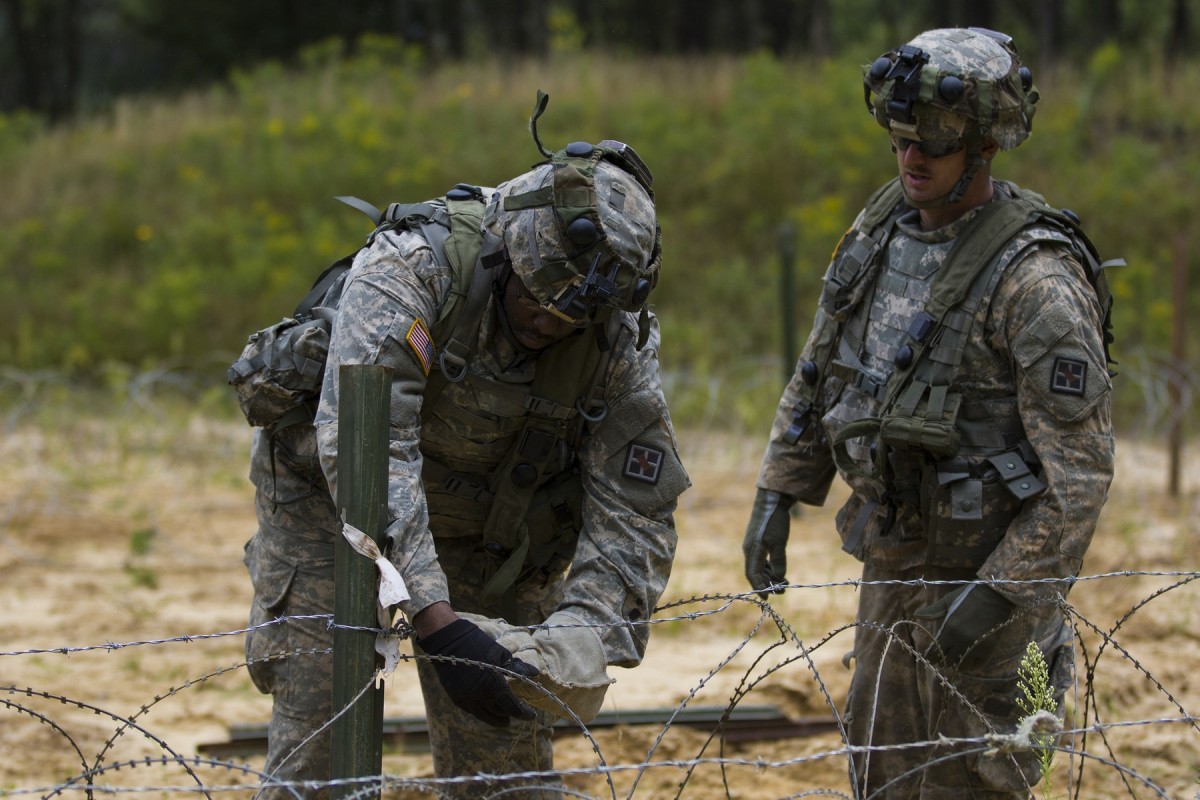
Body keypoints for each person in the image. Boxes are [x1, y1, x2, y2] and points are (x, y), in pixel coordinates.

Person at [241, 111, 690, 799]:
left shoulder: (610, 340)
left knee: (503, 769)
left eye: (570, 319)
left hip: (490, 530)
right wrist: (435, 619)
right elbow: (369, 454)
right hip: (331, 509)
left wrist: (573, 646)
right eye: (536, 306)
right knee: (322, 753)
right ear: (507, 255)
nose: (550, 325)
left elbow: (636, 508)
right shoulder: (410, 271)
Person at [741, 27, 1115, 798]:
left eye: (932, 149)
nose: (911, 161)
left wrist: (1003, 591)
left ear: (983, 150)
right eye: (900, 142)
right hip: (891, 564)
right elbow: (821, 369)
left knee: (971, 784)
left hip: (989, 596)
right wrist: (778, 489)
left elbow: (1079, 473)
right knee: (879, 775)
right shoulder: (879, 232)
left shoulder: (1035, 282)